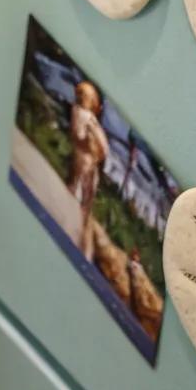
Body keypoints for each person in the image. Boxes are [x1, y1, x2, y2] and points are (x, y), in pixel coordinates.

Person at [68, 80, 108, 257]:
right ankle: (71, 236)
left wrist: (96, 143)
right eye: (85, 96)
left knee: (87, 205)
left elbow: (103, 148)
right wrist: (91, 138)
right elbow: (79, 135)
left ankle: (81, 246)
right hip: (84, 160)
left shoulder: (91, 119)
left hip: (92, 164)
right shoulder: (79, 113)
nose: (87, 100)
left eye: (90, 98)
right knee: (77, 198)